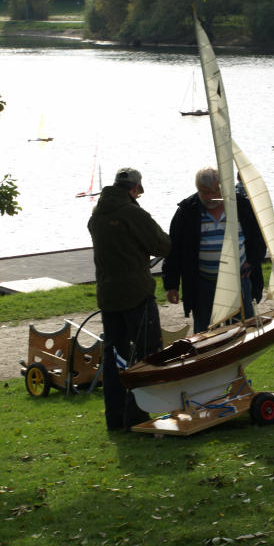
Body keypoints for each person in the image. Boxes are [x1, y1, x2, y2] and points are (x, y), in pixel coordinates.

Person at [88, 168, 171, 431]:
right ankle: (141, 416)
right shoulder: (133, 213)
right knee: (148, 355)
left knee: (115, 358)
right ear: (135, 189)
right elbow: (162, 245)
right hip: (136, 295)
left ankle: (116, 419)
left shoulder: (97, 215)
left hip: (108, 295)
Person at [162, 167, 266, 333]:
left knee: (243, 330)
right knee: (207, 334)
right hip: (203, 284)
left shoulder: (241, 205)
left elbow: (258, 239)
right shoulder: (187, 212)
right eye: (204, 192)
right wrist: (171, 285)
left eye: (214, 191)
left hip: (239, 281)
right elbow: (174, 252)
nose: (210, 197)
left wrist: (251, 262)